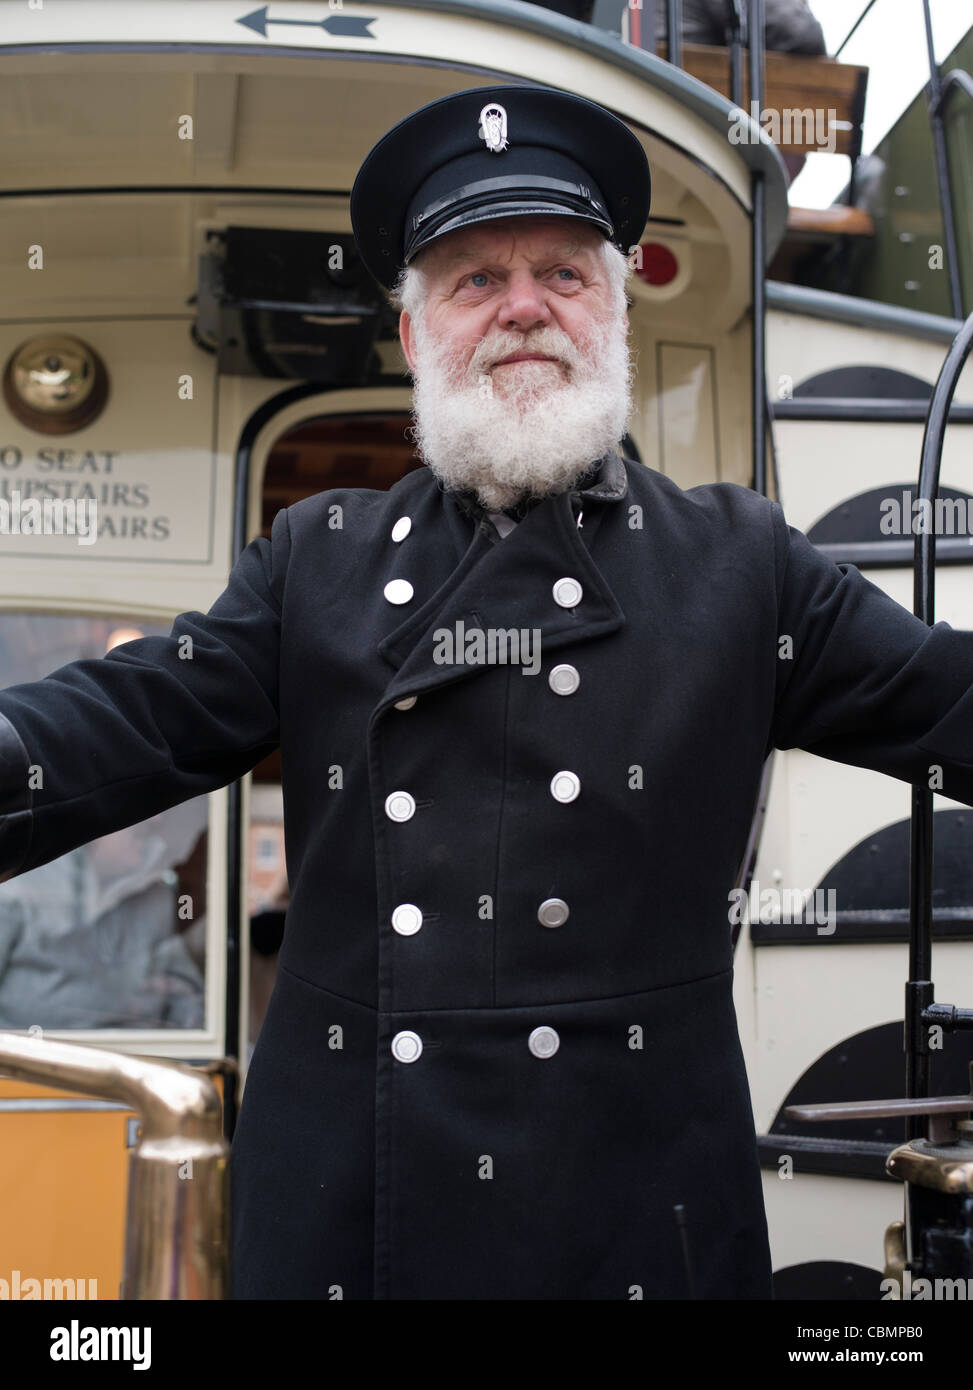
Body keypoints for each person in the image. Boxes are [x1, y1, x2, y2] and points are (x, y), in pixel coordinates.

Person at [1, 84, 973, 1300]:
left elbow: (948, 704)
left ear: (614, 308)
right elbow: (132, 721)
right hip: (351, 1215)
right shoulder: (318, 556)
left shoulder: (741, 566)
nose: (524, 308)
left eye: (563, 273)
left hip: (629, 1219)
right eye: (473, 279)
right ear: (413, 337)